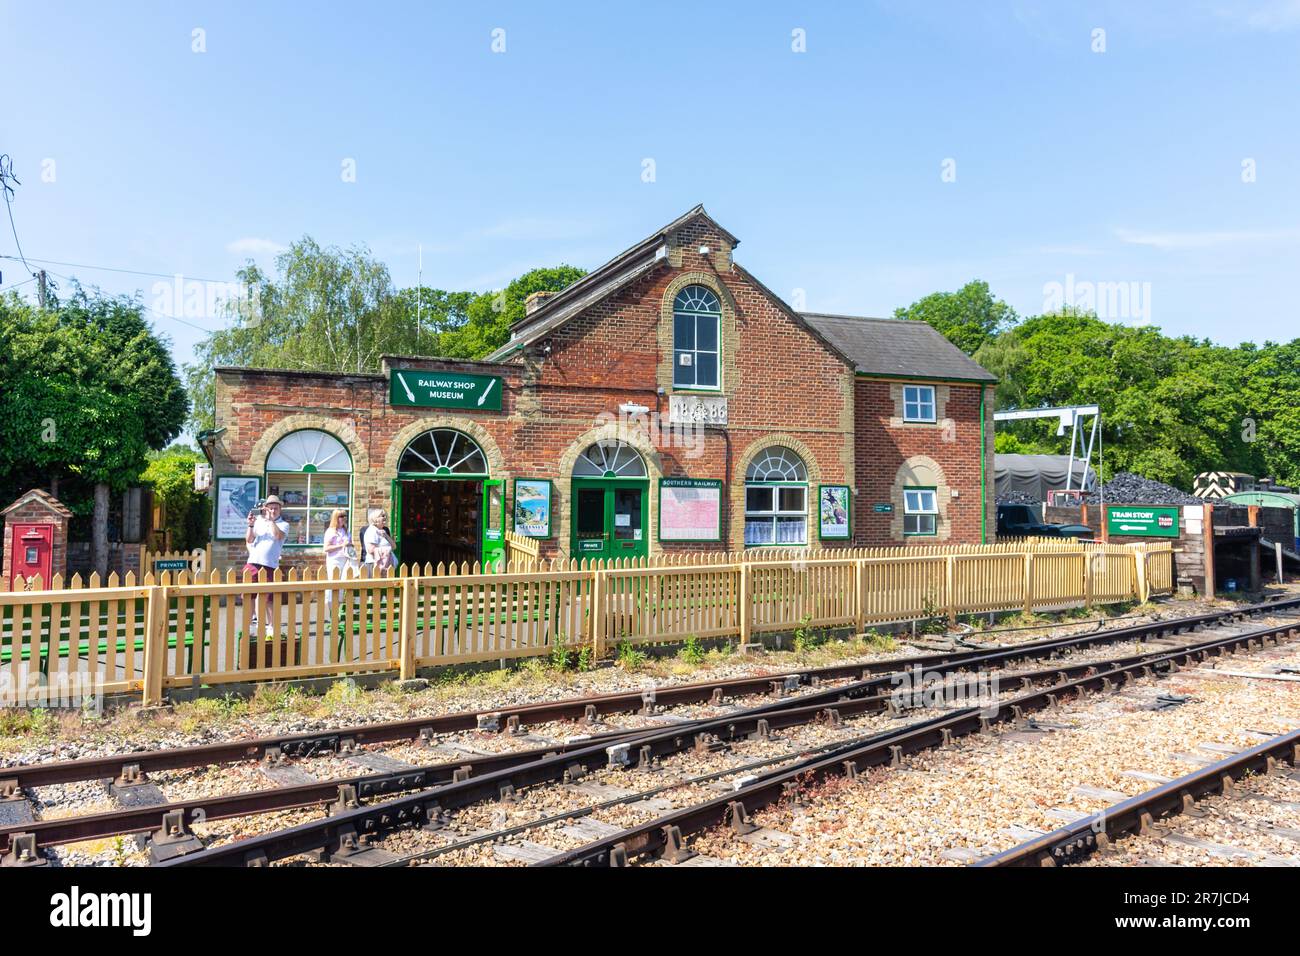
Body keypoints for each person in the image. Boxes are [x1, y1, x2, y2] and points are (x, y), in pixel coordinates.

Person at [245, 495, 289, 636]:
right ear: (266, 508)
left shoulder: (283, 524)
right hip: (253, 562)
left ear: (280, 509)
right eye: (271, 508)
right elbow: (249, 539)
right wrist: (251, 525)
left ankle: (271, 627)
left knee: (269, 598)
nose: (273, 510)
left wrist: (270, 520)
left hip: (270, 565)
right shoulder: (259, 521)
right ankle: (251, 624)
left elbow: (278, 536)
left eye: (276, 508)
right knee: (249, 595)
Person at [321, 509, 357, 621]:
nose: (344, 518)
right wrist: (342, 545)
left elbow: (348, 544)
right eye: (341, 516)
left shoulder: (346, 530)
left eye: (345, 516)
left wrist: (350, 545)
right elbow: (326, 548)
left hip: (345, 559)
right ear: (336, 518)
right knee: (333, 585)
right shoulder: (331, 531)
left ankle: (340, 611)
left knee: (343, 585)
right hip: (334, 561)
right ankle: (333, 613)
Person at [362, 508, 396, 574]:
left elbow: (394, 546)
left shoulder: (383, 531)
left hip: (385, 564)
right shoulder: (372, 531)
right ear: (375, 518)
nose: (385, 517)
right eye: (382, 516)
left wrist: (386, 535)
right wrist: (388, 550)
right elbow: (371, 550)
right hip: (375, 564)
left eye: (385, 515)